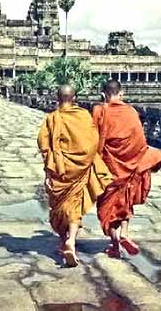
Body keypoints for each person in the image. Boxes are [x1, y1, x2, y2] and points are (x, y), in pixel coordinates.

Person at [93, 80, 161, 258]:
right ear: (121, 94)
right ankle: (124, 234)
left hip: (109, 168)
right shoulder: (131, 112)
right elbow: (140, 142)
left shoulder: (99, 110)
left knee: (106, 210)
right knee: (125, 202)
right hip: (130, 166)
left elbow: (94, 138)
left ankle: (115, 244)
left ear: (103, 95)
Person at [38, 85, 113, 267]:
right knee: (75, 206)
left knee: (59, 207)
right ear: (74, 98)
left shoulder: (52, 118)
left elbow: (44, 145)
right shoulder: (83, 116)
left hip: (60, 170)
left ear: (57, 98)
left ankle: (64, 241)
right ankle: (71, 240)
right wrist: (85, 161)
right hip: (79, 169)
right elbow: (93, 142)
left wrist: (50, 169)